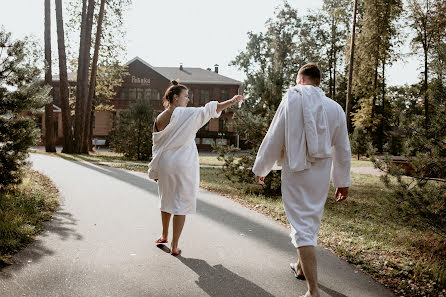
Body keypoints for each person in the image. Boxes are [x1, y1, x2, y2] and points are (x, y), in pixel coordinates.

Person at [252, 63, 351, 297]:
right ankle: (300, 267)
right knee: (309, 221)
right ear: (317, 81)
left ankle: (313, 290)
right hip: (320, 175)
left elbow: (275, 136)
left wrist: (262, 167)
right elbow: (343, 148)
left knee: (302, 227)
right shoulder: (335, 108)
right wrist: (342, 181)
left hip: (296, 172)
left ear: (301, 80)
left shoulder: (292, 99)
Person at [148, 80, 244, 256]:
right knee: (181, 203)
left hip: (165, 164)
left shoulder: (159, 118)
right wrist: (231, 101)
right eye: (185, 96)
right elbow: (209, 109)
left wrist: (156, 169)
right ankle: (175, 245)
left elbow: (157, 146)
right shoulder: (186, 114)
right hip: (183, 163)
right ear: (175, 97)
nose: (188, 99)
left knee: (166, 199)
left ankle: (163, 235)